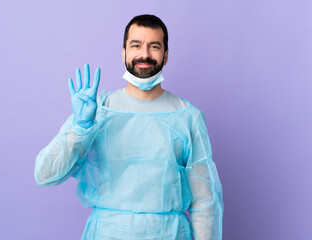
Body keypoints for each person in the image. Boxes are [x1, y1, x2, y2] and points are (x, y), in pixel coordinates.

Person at [34, 14, 223, 240]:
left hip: (169, 234)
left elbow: (205, 203)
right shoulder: (97, 111)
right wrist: (80, 126)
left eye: (154, 46)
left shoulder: (187, 117)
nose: (144, 54)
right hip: (107, 233)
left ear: (166, 55)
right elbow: (45, 175)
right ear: (124, 52)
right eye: (136, 45)